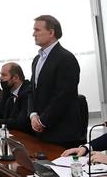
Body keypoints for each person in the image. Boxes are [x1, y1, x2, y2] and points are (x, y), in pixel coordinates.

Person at [29, 15, 85, 148]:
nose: (33, 34)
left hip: (62, 132)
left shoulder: (66, 58)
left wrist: (43, 121)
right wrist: (33, 114)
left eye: (37, 30)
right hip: (42, 130)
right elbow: (33, 91)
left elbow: (63, 95)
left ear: (51, 32)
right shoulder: (37, 59)